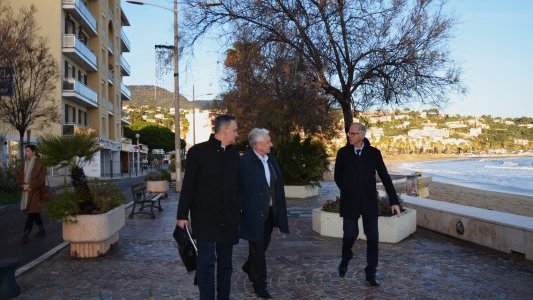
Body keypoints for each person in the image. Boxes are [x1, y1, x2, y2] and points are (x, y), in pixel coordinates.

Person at [177, 115, 241, 300]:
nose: (237, 134)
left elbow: (239, 185)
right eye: (235, 130)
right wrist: (182, 215)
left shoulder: (234, 154)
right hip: (204, 218)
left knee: (226, 265)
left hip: (228, 218)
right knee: (205, 263)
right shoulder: (197, 152)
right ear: (225, 130)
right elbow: (188, 185)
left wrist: (240, 207)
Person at [334, 122, 401, 287]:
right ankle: (346, 257)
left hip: (369, 202)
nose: (349, 136)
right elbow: (337, 176)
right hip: (350, 202)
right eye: (349, 133)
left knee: (373, 239)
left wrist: (394, 201)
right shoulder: (342, 153)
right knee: (350, 234)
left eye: (353, 133)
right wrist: (348, 189)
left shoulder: (374, 153)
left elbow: (385, 177)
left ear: (362, 135)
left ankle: (371, 273)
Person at [239, 128, 289, 299]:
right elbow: (239, 189)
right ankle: (260, 285)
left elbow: (277, 186)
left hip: (269, 213)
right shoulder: (245, 162)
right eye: (268, 142)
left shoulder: (271, 160)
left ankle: (249, 266)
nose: (271, 144)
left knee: (263, 246)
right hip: (253, 214)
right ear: (258, 144)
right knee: (258, 249)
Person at [16, 144, 47, 244]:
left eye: (28, 151)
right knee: (34, 212)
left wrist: (30, 186)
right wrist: (23, 185)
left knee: (31, 212)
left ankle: (26, 233)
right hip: (26, 191)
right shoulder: (24, 164)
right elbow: (19, 177)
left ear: (34, 152)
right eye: (26, 151)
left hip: (35, 191)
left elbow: (41, 180)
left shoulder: (40, 163)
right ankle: (41, 228)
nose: (26, 153)